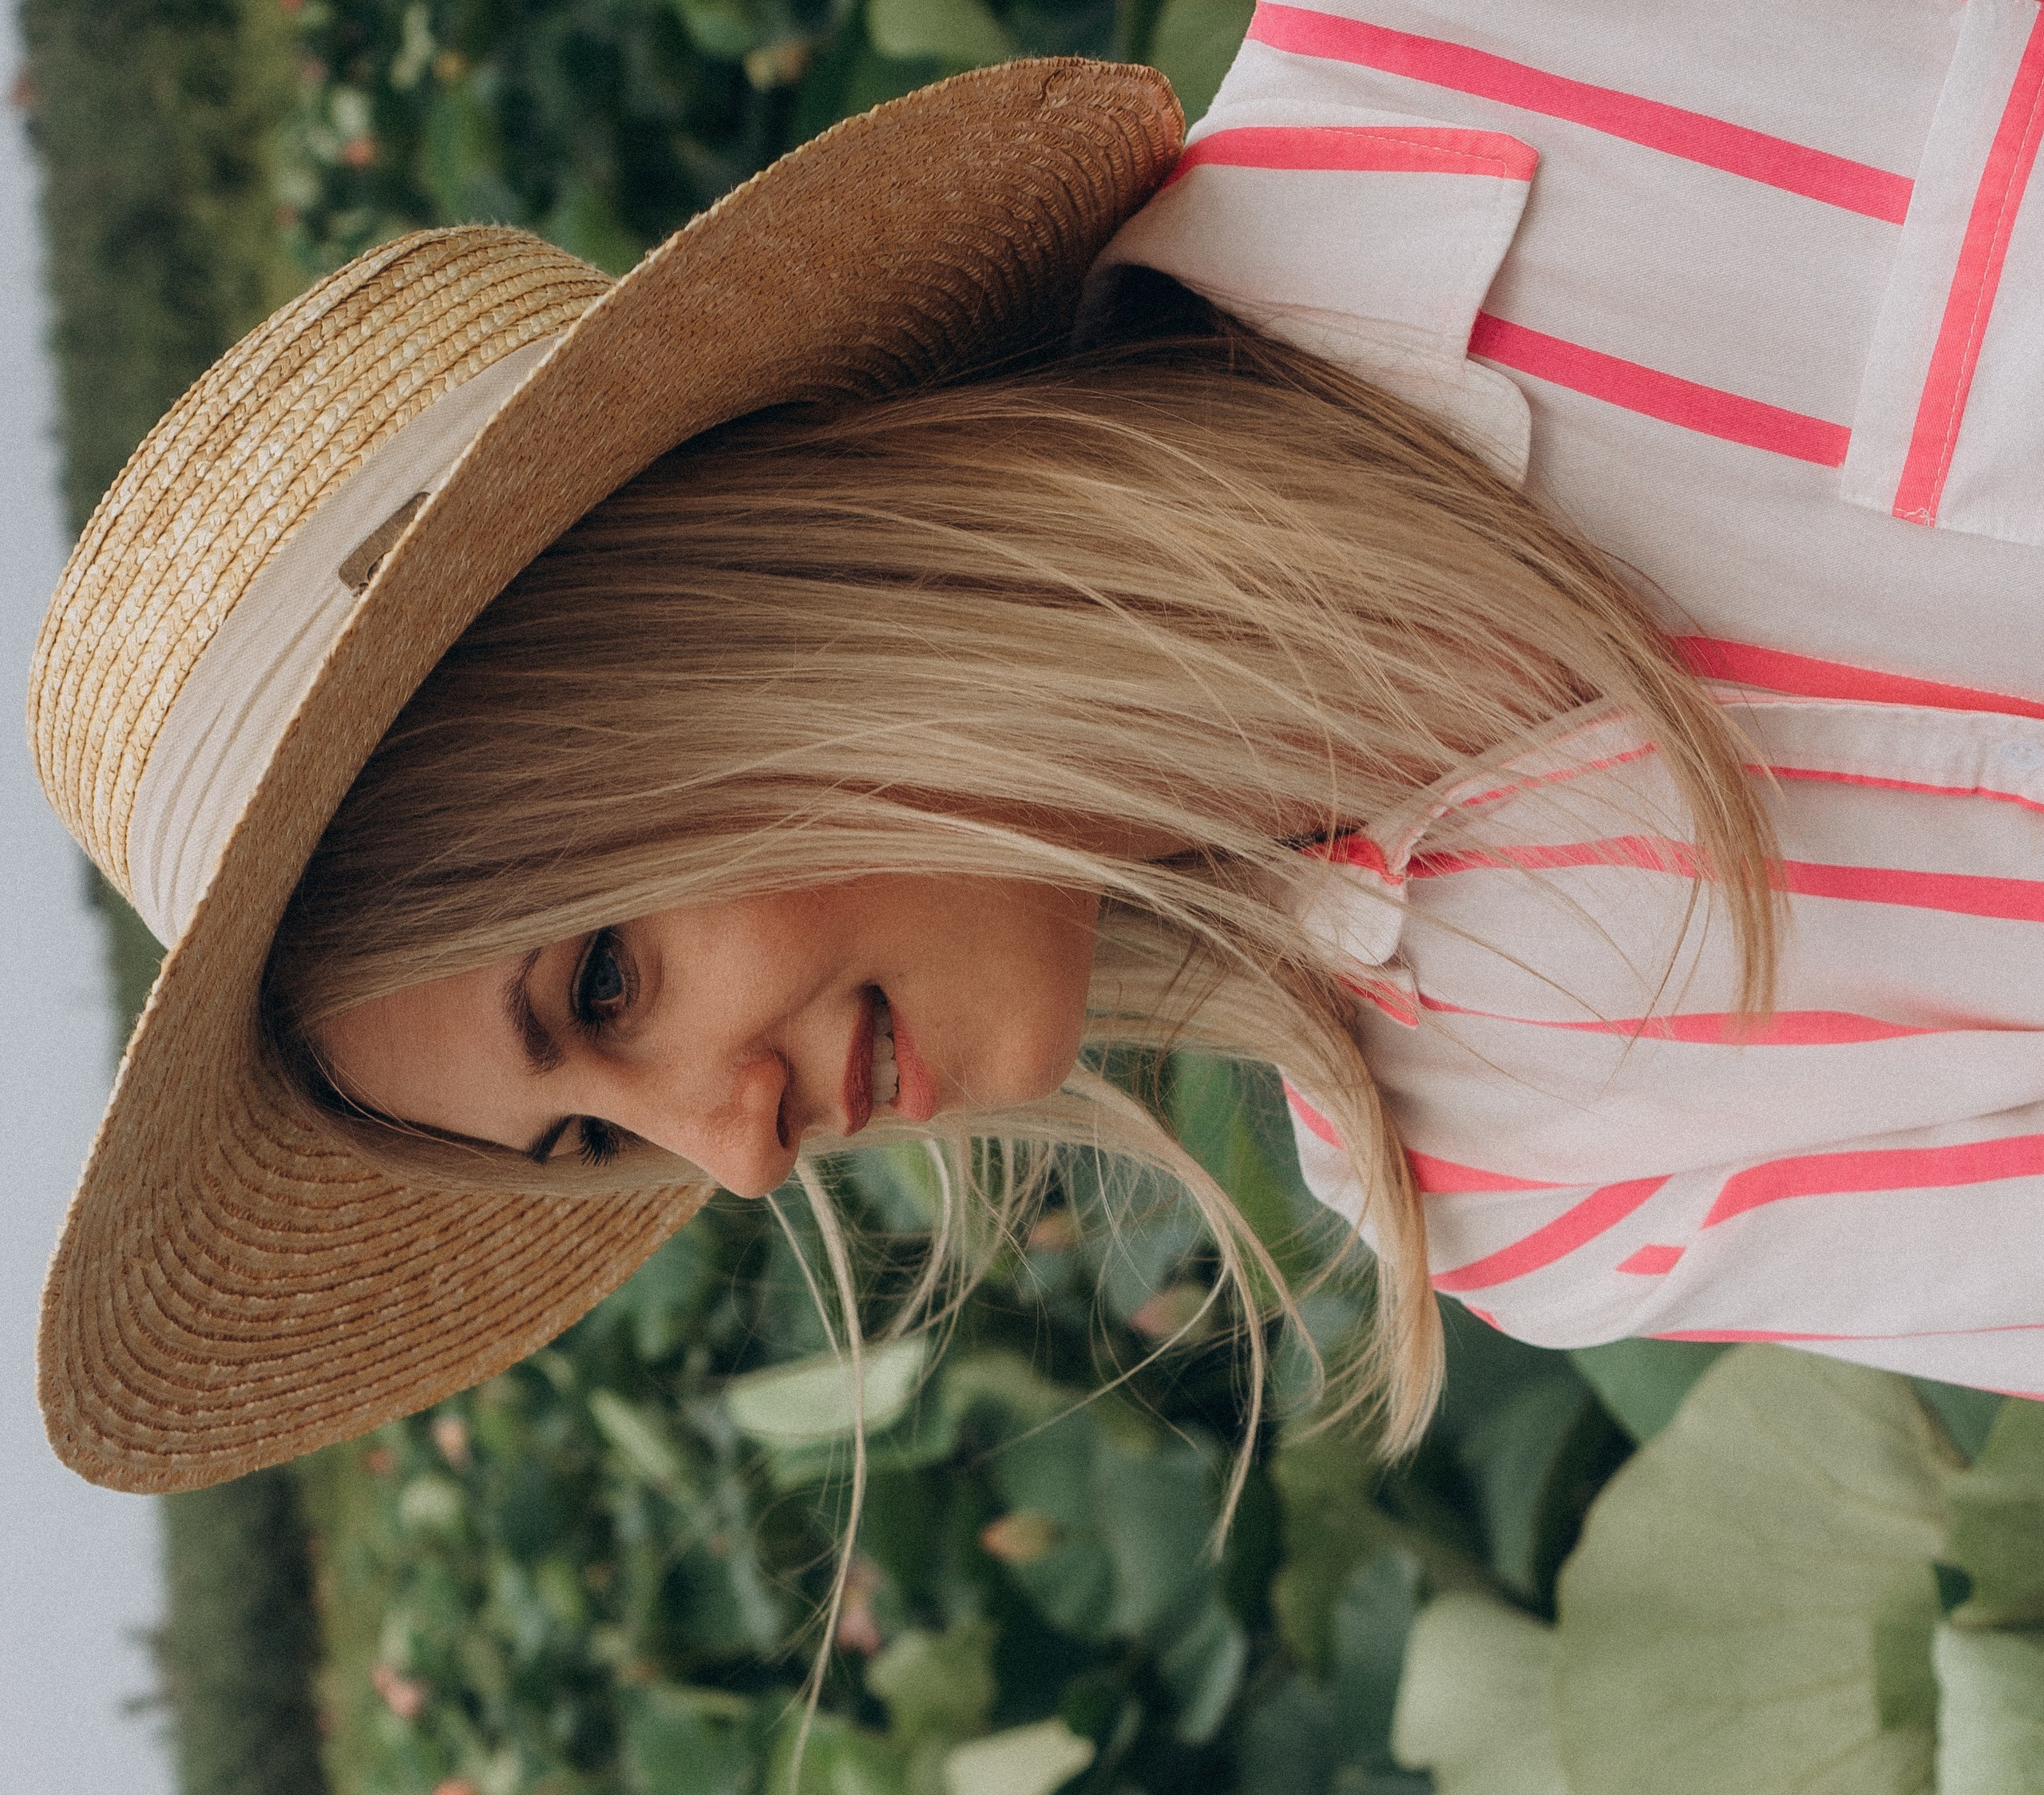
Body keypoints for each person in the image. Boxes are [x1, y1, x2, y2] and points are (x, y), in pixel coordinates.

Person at [30, 7, 2044, 1504]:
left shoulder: (1520, 45)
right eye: (602, 1141)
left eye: (605, 989)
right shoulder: (1522, 1188)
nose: (733, 1157)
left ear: (666, 643)